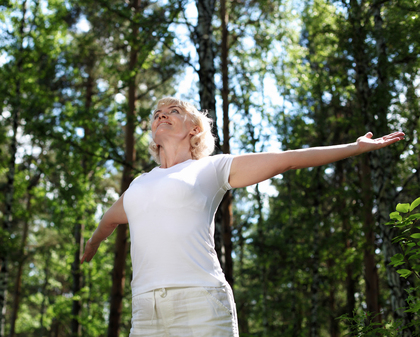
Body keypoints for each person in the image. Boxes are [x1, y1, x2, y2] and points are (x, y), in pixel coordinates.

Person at [81, 97, 404, 337]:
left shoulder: (211, 168)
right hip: (145, 308)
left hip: (199, 300)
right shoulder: (140, 183)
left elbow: (286, 160)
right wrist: (92, 246)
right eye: (157, 114)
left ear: (194, 129)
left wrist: (355, 147)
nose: (162, 115)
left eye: (173, 111)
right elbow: (110, 220)